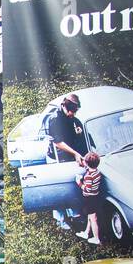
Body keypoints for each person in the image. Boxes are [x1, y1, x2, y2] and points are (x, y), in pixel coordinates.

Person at [41, 92, 91, 231]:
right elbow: (58, 142)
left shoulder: (74, 119)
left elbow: (79, 136)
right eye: (71, 111)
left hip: (70, 157)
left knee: (72, 185)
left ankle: (75, 214)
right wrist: (75, 153)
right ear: (64, 106)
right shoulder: (55, 119)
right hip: (57, 157)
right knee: (59, 188)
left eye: (74, 111)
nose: (72, 114)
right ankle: (61, 219)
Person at [74, 153, 104, 245]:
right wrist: (84, 163)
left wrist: (79, 182)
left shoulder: (88, 176)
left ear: (87, 164)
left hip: (89, 198)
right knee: (90, 217)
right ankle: (86, 233)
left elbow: (87, 189)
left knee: (93, 219)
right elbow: (89, 168)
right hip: (95, 197)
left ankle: (96, 239)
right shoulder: (97, 172)